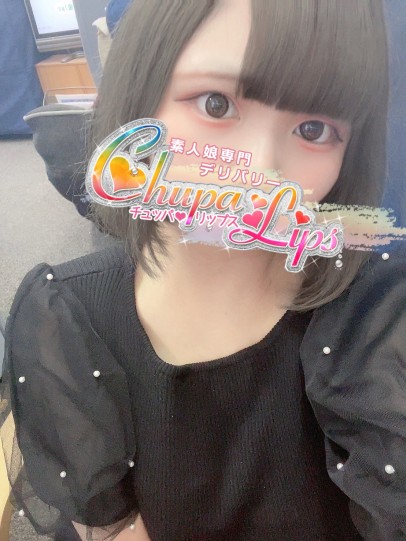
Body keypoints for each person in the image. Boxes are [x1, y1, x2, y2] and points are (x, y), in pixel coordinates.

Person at [0, 1, 405, 540]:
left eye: (314, 128)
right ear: (140, 95)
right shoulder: (66, 318)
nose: (260, 173)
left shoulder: (378, 316)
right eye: (216, 103)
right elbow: (112, 527)